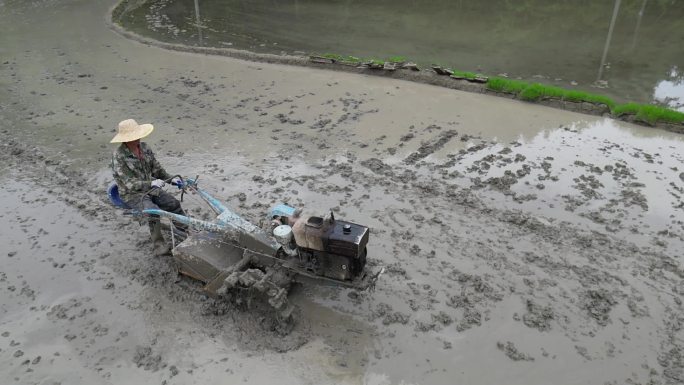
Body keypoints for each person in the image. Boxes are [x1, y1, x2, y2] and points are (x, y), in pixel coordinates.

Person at [110, 118, 187, 256]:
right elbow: (129, 183)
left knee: (173, 203)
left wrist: (172, 180)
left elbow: (157, 170)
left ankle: (185, 230)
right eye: (134, 136)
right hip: (132, 193)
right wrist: (150, 183)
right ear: (126, 139)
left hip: (150, 188)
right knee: (153, 212)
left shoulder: (144, 148)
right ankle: (159, 245)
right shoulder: (118, 157)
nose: (138, 138)